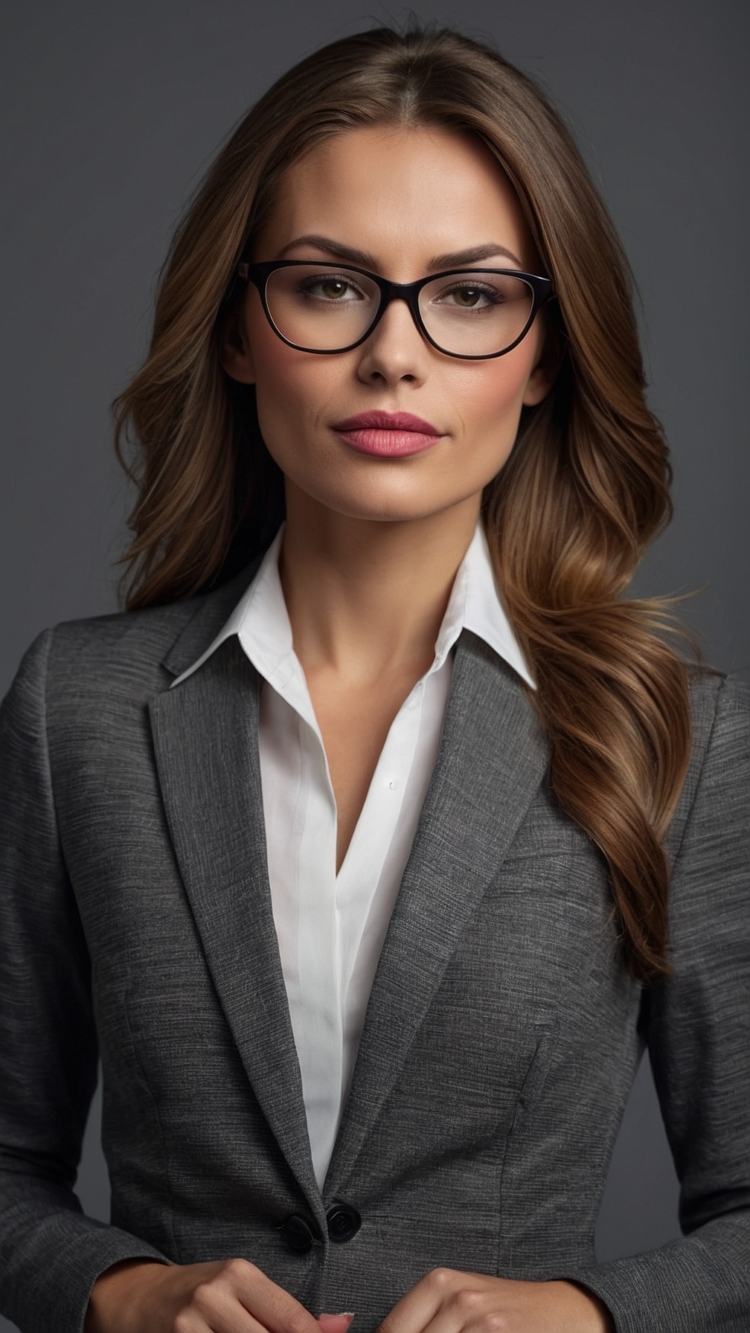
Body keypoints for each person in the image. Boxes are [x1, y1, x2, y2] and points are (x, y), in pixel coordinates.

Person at [0, 23, 747, 1333]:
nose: (393, 352)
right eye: (330, 285)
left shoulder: (675, 734)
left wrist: (579, 1314)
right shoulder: (80, 709)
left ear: (545, 355)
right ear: (239, 328)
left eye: (468, 294)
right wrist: (120, 1291)